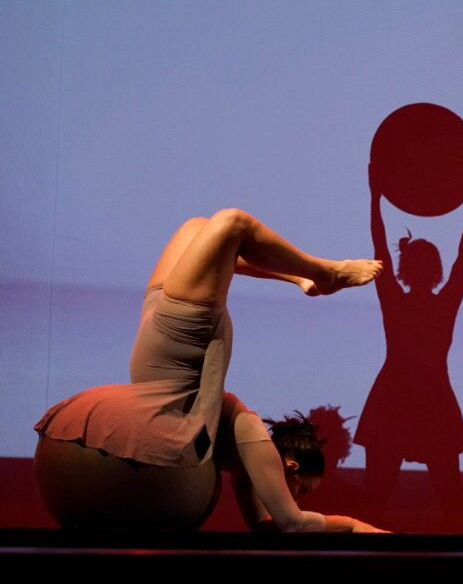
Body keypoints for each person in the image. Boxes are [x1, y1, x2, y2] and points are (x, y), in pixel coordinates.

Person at [35, 208, 385, 532]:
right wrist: (355, 526)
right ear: (291, 467)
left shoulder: (243, 465)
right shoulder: (251, 435)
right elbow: (291, 522)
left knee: (211, 232)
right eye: (303, 490)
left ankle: (307, 276)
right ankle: (326, 272)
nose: (297, 497)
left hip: (161, 331)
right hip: (180, 340)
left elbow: (265, 526)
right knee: (222, 225)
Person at [358, 173, 463, 520]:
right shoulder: (443, 304)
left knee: (376, 505)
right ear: (436, 269)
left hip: (397, 397)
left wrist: (375, 196)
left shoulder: (396, 300)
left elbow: (379, 245)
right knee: (449, 505)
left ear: (404, 269)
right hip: (424, 397)